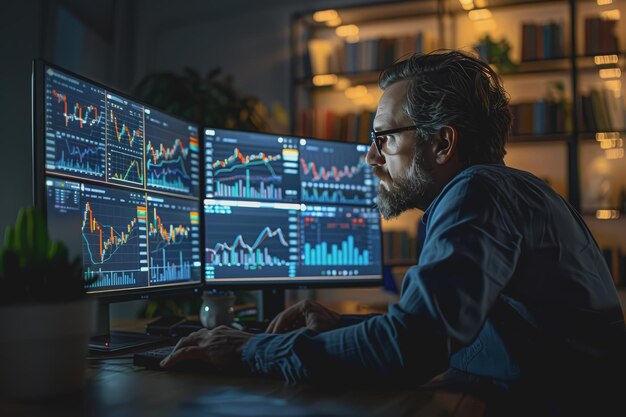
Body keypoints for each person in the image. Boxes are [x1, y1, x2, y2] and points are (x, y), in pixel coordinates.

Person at [160, 50, 626, 415]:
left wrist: (252, 349)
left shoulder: (477, 192)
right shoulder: (506, 191)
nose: (371, 158)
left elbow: (412, 347)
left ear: (443, 142)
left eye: (384, 138)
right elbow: (457, 338)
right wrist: (341, 326)